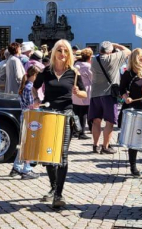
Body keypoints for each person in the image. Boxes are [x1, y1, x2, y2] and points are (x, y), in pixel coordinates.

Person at [33, 40, 87, 209]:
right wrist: (36, 98)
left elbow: (85, 94)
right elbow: (34, 87)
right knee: (48, 156)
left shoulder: (74, 72)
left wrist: (79, 92)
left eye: (65, 51)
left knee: (62, 155)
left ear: (69, 54)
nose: (62, 54)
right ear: (54, 52)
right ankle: (53, 185)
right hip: (48, 115)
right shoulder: (46, 72)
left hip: (66, 116)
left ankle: (59, 194)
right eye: (59, 50)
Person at [89, 41, 131, 153]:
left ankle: (95, 145)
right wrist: (116, 45)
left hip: (95, 93)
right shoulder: (113, 58)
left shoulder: (93, 59)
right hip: (109, 94)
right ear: (110, 51)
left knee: (96, 121)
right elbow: (128, 51)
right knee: (109, 122)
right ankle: (105, 146)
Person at [121, 48, 142, 177]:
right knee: (133, 139)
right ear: (135, 58)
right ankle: (133, 167)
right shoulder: (128, 74)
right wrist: (126, 98)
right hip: (134, 108)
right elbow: (121, 89)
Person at [9, 65, 41, 180]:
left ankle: (17, 166)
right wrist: (41, 102)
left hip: (26, 116)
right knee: (29, 143)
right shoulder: (30, 88)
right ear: (34, 75)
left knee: (24, 143)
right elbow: (33, 104)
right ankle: (26, 168)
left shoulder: (26, 86)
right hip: (30, 117)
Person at [72, 48, 93, 140]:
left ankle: (74, 131)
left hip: (76, 90)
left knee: (76, 111)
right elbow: (92, 79)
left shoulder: (75, 65)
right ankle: (81, 132)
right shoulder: (88, 66)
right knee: (84, 112)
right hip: (85, 90)